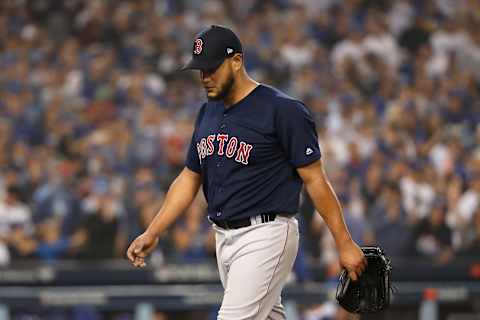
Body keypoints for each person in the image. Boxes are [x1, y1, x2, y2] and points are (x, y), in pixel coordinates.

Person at [127, 25, 366, 320]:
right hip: (223, 238)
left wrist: (344, 242)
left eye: (211, 68)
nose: (205, 77)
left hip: (266, 234)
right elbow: (189, 177)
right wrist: (154, 230)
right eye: (200, 70)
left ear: (236, 61)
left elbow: (316, 180)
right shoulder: (207, 112)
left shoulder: (282, 110)